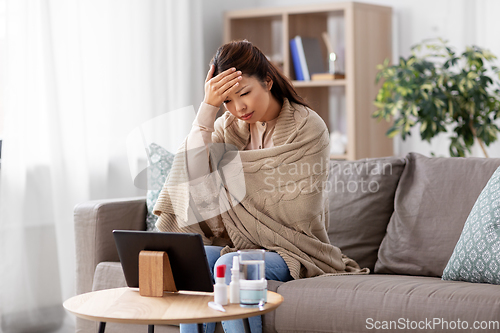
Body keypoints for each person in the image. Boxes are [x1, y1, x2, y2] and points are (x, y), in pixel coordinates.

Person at [153, 40, 368, 333]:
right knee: (190, 258)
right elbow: (191, 175)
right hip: (238, 245)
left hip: (295, 249)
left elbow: (302, 209)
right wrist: (207, 108)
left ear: (267, 82)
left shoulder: (308, 127)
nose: (238, 107)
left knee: (234, 267)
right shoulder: (229, 126)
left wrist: (226, 174)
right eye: (226, 100)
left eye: (244, 93)